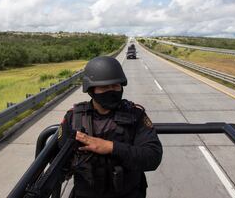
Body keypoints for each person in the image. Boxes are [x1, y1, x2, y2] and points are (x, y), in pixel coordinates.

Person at [58, 56, 163, 198]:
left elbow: (153, 157)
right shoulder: (74, 117)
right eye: (104, 87)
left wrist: (110, 147)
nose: (112, 90)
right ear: (91, 89)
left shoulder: (135, 115)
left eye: (115, 85)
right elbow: (58, 163)